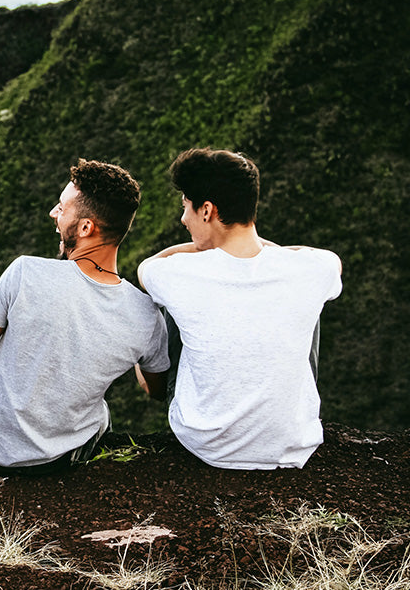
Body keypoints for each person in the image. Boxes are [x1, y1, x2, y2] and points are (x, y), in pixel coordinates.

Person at [0, 158, 170, 475]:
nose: (53, 213)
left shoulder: (25, 272)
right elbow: (156, 390)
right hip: (57, 461)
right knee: (101, 412)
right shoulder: (147, 315)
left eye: (62, 208)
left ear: (85, 228)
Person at [137, 148, 342, 470]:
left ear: (207, 210)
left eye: (186, 208)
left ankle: (160, 391)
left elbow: (147, 268)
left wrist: (202, 247)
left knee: (167, 305)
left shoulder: (176, 272)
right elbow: (328, 259)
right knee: (308, 301)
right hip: (291, 445)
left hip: (206, 443)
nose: (182, 219)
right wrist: (263, 249)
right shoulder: (312, 269)